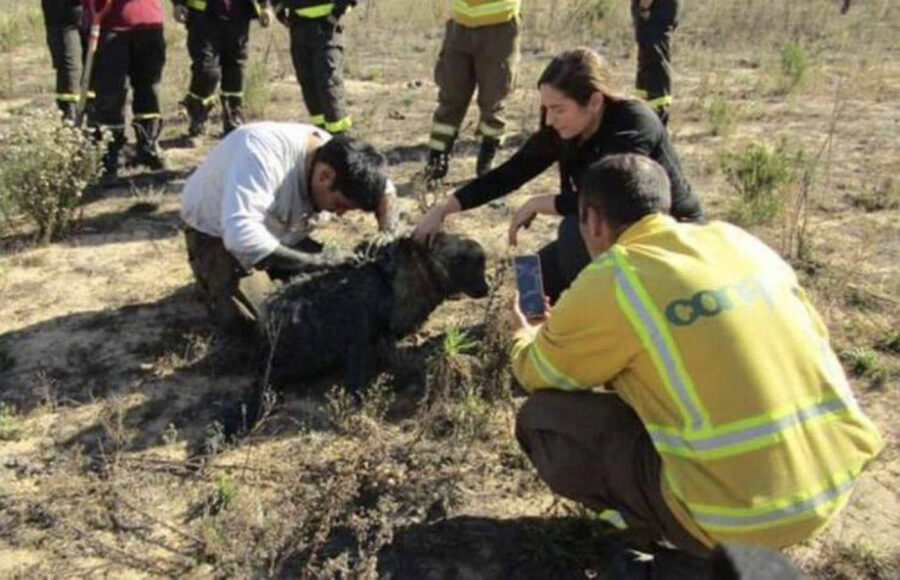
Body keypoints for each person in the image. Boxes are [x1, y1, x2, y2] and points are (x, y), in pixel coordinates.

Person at [509, 154, 883, 571]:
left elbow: (537, 372)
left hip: (738, 519)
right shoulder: (737, 241)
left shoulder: (617, 277)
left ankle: (673, 558)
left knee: (542, 418)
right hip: (831, 485)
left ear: (593, 222)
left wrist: (528, 334)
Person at [413, 47, 704, 302]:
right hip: (604, 232)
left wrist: (539, 203)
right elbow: (508, 174)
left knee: (573, 230)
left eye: (558, 109)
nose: (549, 119)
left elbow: (614, 199)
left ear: (594, 101)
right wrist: (444, 208)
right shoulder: (563, 130)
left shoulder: (633, 123)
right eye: (546, 109)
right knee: (531, 282)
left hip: (670, 233)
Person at [180, 121, 398, 332]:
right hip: (217, 233)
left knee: (343, 289)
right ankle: (212, 279)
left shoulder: (341, 159)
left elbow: (385, 191)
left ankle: (277, 271)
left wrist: (387, 233)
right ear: (325, 176)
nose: (340, 213)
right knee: (264, 324)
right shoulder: (262, 155)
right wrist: (316, 261)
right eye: (340, 204)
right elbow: (240, 235)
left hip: (283, 232)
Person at [422, 0, 521, 181]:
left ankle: (485, 164)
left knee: (494, 101)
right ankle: (436, 162)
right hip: (460, 25)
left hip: (499, 25)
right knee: (450, 98)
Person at [83, 0, 167, 178]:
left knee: (149, 89)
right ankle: (112, 154)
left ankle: (148, 145)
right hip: (110, 26)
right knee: (111, 94)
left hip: (149, 23)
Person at [172, 0, 273, 140]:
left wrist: (265, 6)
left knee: (235, 69)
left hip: (238, 15)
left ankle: (233, 118)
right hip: (203, 17)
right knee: (206, 71)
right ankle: (199, 119)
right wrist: (178, 3)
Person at [274, 0, 355, 134]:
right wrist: (280, 11)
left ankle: (342, 142)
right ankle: (322, 139)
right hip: (298, 27)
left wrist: (335, 15)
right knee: (309, 86)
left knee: (329, 87)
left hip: (326, 29)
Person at [631, 0, 680, 125]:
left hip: (654, 13)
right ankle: (648, 114)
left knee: (654, 60)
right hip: (654, 12)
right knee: (648, 60)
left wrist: (644, 7)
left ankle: (658, 116)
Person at [42, 0, 91, 121]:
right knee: (70, 75)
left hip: (95, 16)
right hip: (62, 20)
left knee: (96, 72)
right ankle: (70, 126)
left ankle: (96, 128)